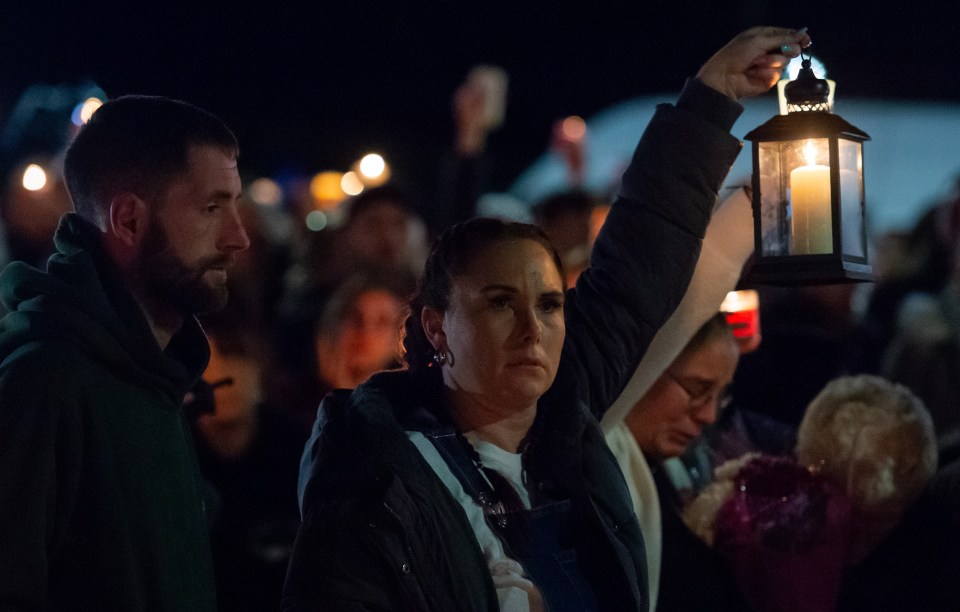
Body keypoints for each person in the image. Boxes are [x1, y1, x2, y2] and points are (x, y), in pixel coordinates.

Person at [282, 26, 810, 612]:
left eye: (550, 304)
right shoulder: (371, 475)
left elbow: (637, 260)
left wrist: (712, 99)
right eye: (500, 303)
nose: (533, 330)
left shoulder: (569, 410)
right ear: (436, 327)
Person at [0, 95, 250, 610]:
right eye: (211, 208)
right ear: (130, 221)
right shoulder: (44, 385)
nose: (238, 237)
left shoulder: (155, 375)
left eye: (235, 205)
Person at [606, 313, 749, 612]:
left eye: (720, 396)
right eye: (698, 389)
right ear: (644, 367)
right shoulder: (604, 482)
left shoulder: (673, 471)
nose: (708, 415)